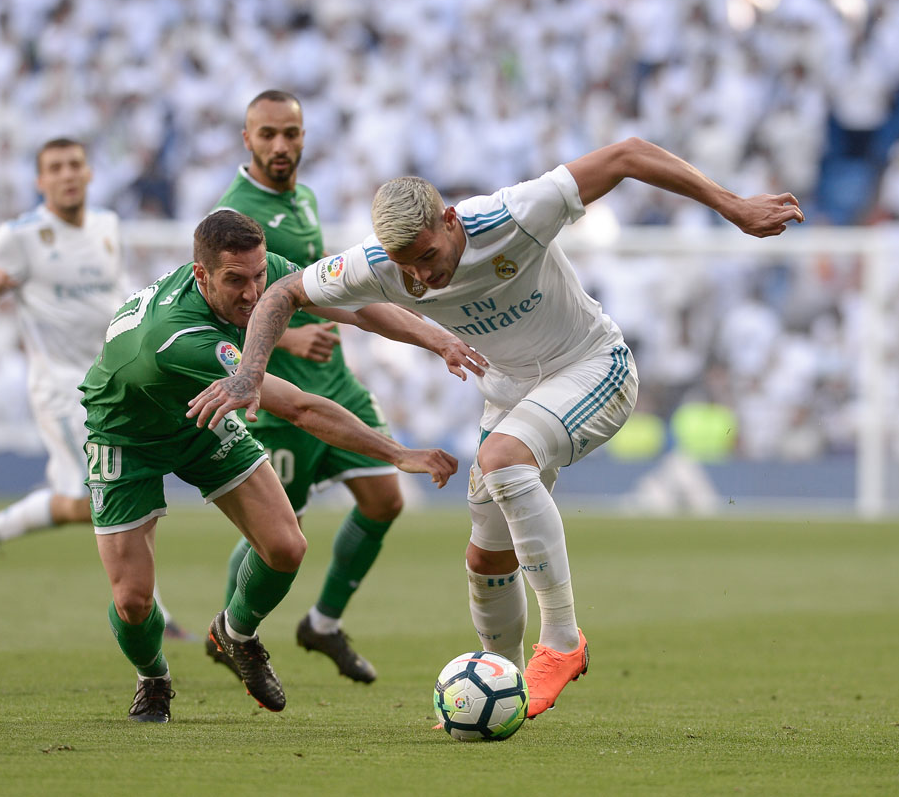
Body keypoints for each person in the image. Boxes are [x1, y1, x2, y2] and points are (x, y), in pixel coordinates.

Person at [189, 136, 804, 719]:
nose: (423, 277)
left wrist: (734, 205)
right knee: (487, 555)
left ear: (451, 220)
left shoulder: (514, 215)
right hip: (510, 391)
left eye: (429, 256)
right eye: (408, 268)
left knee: (503, 459)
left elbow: (627, 154)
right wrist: (249, 374)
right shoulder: (378, 264)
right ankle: (501, 685)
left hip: (592, 366)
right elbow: (282, 295)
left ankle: (563, 640)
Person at [80, 208, 472, 722]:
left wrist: (436, 337)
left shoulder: (258, 268)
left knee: (286, 547)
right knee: (133, 600)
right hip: (126, 435)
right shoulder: (180, 338)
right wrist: (398, 453)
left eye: (259, 276)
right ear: (201, 275)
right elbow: (300, 407)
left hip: (203, 412)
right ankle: (153, 678)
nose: (253, 292)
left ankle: (236, 633)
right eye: (235, 281)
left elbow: (353, 303)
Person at [0, 137, 192, 639]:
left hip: (113, 377)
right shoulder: (18, 236)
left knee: (79, 499)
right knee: (106, 489)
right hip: (62, 387)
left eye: (75, 165)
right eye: (55, 168)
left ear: (88, 174)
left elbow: (116, 291)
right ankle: (156, 613)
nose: (66, 174)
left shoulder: (107, 226)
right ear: (40, 181)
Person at [207, 89, 408, 683]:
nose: (279, 145)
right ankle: (234, 632)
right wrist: (289, 339)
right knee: (276, 531)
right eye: (266, 134)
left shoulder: (305, 200)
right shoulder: (234, 212)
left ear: (303, 137)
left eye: (290, 133)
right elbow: (219, 306)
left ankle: (321, 624)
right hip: (278, 395)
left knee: (385, 499)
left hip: (335, 382)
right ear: (247, 139)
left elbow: (313, 280)